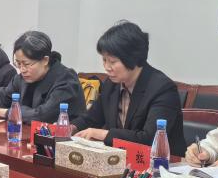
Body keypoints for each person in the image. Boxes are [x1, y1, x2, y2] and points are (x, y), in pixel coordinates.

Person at [70, 21, 186, 154]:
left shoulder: (162, 89)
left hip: (163, 162)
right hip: (121, 158)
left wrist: (103, 134)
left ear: (133, 58)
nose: (107, 67)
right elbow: (91, 118)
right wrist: (72, 127)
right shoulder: (111, 84)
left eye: (112, 61)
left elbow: (149, 139)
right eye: (104, 60)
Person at [0, 31, 86, 124]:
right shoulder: (22, 78)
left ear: (45, 60)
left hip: (63, 138)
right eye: (18, 63)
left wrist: (8, 112)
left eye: (26, 64)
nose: (22, 69)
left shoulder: (66, 79)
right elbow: (4, 96)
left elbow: (44, 115)